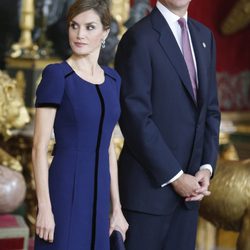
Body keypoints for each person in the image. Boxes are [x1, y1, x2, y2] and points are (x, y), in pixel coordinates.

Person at [114, 0, 221, 249]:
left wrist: (206, 167)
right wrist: (175, 176)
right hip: (148, 194)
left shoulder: (204, 36)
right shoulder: (138, 38)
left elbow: (211, 110)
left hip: (191, 195)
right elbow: (135, 117)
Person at [32, 0, 128, 249]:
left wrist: (116, 208)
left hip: (99, 197)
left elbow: (108, 149)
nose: (79, 34)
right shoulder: (57, 75)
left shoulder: (113, 80)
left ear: (105, 32)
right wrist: (44, 207)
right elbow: (39, 147)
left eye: (89, 27)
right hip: (65, 191)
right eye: (74, 26)